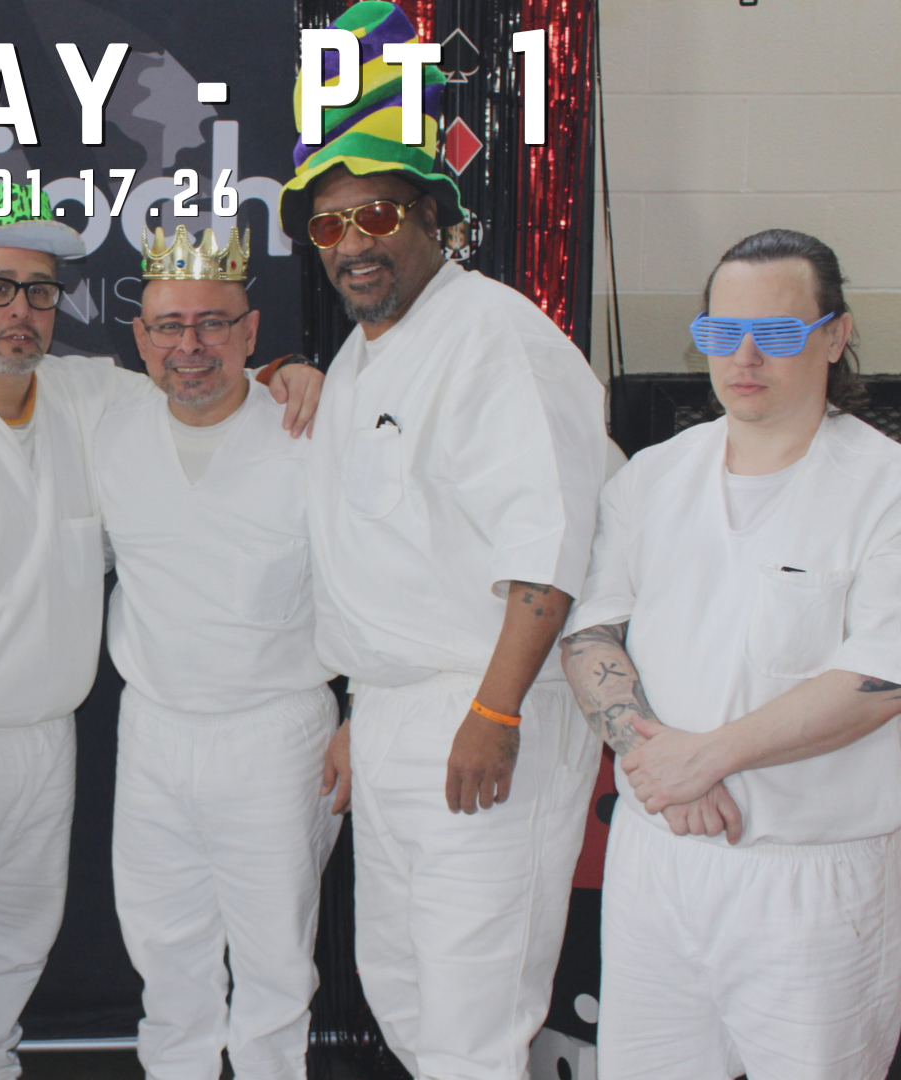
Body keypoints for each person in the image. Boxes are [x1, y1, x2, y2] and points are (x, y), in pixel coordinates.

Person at [0, 184, 323, 1080]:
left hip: (44, 738)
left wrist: (288, 370)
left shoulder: (88, 395)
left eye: (40, 291)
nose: (20, 310)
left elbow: (202, 381)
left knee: (11, 951)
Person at [283, 5, 612, 1076]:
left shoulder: (497, 337)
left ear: (434, 217)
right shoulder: (363, 356)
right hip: (392, 715)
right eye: (328, 227)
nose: (352, 245)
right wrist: (361, 708)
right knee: (405, 991)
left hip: (487, 705)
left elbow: (547, 548)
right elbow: (379, 560)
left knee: (476, 1004)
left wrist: (494, 710)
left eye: (375, 215)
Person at [562, 229, 901, 1078]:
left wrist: (706, 758)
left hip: (811, 879)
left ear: (835, 335)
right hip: (658, 861)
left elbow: (880, 677)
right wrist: (655, 758)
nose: (744, 357)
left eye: (777, 333)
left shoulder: (884, 488)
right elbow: (591, 633)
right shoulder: (652, 478)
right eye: (721, 332)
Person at [98, 224, 341, 1079]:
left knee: (276, 959)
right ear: (141, 338)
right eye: (169, 325)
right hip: (154, 726)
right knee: (165, 952)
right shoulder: (110, 431)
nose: (190, 346)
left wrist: (364, 712)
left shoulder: (311, 430)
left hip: (275, 730)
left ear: (250, 331)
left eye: (213, 323)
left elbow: (368, 586)